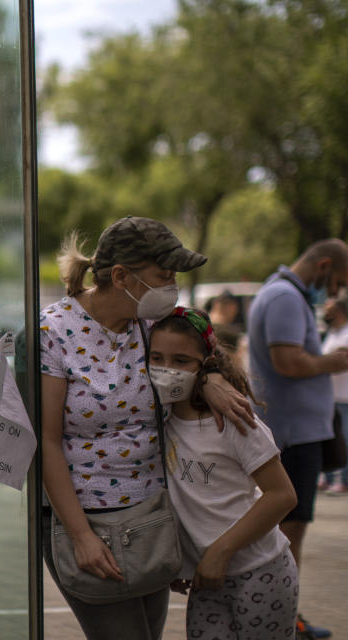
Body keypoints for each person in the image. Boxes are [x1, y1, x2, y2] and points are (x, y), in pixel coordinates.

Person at [39, 216, 255, 640]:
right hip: (89, 525)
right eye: (163, 276)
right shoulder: (54, 330)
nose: (171, 287)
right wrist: (81, 536)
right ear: (121, 276)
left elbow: (195, 351)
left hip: (153, 519)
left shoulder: (151, 322)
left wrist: (209, 380)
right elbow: (46, 441)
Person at [149, 307, 298, 640]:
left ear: (207, 364)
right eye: (156, 357)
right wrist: (184, 558)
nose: (166, 370)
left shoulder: (233, 420)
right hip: (206, 579)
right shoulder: (162, 423)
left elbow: (283, 495)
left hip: (261, 572)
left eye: (181, 361)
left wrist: (220, 551)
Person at [246, 239, 348, 639]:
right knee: (289, 534)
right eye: (337, 281)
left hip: (297, 432)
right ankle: (281, 620)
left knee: (289, 530)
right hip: (292, 436)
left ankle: (286, 615)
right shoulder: (285, 297)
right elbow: (287, 362)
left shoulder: (280, 292)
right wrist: (333, 362)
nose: (336, 293)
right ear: (323, 265)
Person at [319, 288, 348, 494]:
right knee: (329, 435)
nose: (325, 311)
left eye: (329, 307)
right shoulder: (331, 333)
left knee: (345, 437)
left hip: (345, 395)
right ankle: (328, 477)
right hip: (330, 394)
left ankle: (344, 480)